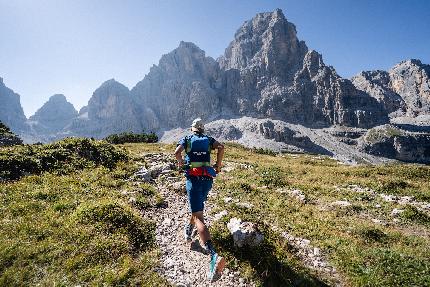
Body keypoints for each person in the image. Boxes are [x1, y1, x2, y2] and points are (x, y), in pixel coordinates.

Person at [174, 118, 226, 281]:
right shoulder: (209, 140)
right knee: (197, 208)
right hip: (208, 180)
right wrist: (218, 165)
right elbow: (221, 147)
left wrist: (181, 162)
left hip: (193, 179)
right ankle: (188, 231)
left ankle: (213, 255)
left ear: (192, 129)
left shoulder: (187, 139)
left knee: (198, 216)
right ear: (202, 130)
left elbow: (177, 153)